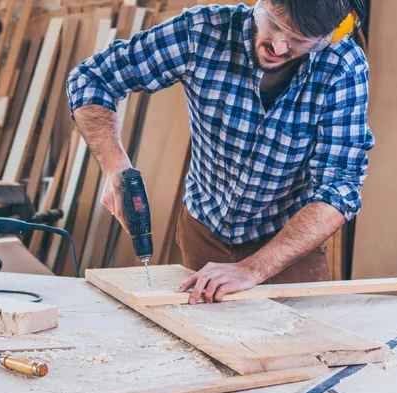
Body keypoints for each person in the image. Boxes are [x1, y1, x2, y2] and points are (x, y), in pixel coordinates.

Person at [66, 0, 374, 304]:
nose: (279, 48)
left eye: (299, 41)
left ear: (326, 37)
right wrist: (114, 165)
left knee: (299, 345)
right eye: (276, 26)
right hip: (204, 229)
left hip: (287, 244)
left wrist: (253, 268)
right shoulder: (202, 32)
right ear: (263, 3)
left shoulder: (342, 66)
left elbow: (338, 188)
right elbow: (91, 79)